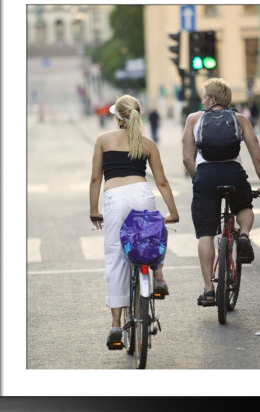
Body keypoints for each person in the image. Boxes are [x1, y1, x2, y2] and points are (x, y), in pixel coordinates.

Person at [89, 94, 179, 345]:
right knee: (150, 238)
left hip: (115, 198)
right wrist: (172, 212)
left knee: (116, 257)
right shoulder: (147, 143)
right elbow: (161, 182)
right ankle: (158, 277)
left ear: (117, 116)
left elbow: (96, 179)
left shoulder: (103, 140)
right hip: (142, 194)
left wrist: (93, 210)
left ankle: (116, 326)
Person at [182, 78, 260, 305]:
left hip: (205, 176)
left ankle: (209, 290)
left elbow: (186, 158)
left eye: (205, 96)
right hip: (233, 173)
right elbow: (257, 156)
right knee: (243, 206)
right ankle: (243, 235)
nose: (203, 100)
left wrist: (199, 180)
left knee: (206, 234)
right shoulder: (240, 119)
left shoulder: (194, 119)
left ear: (212, 99)